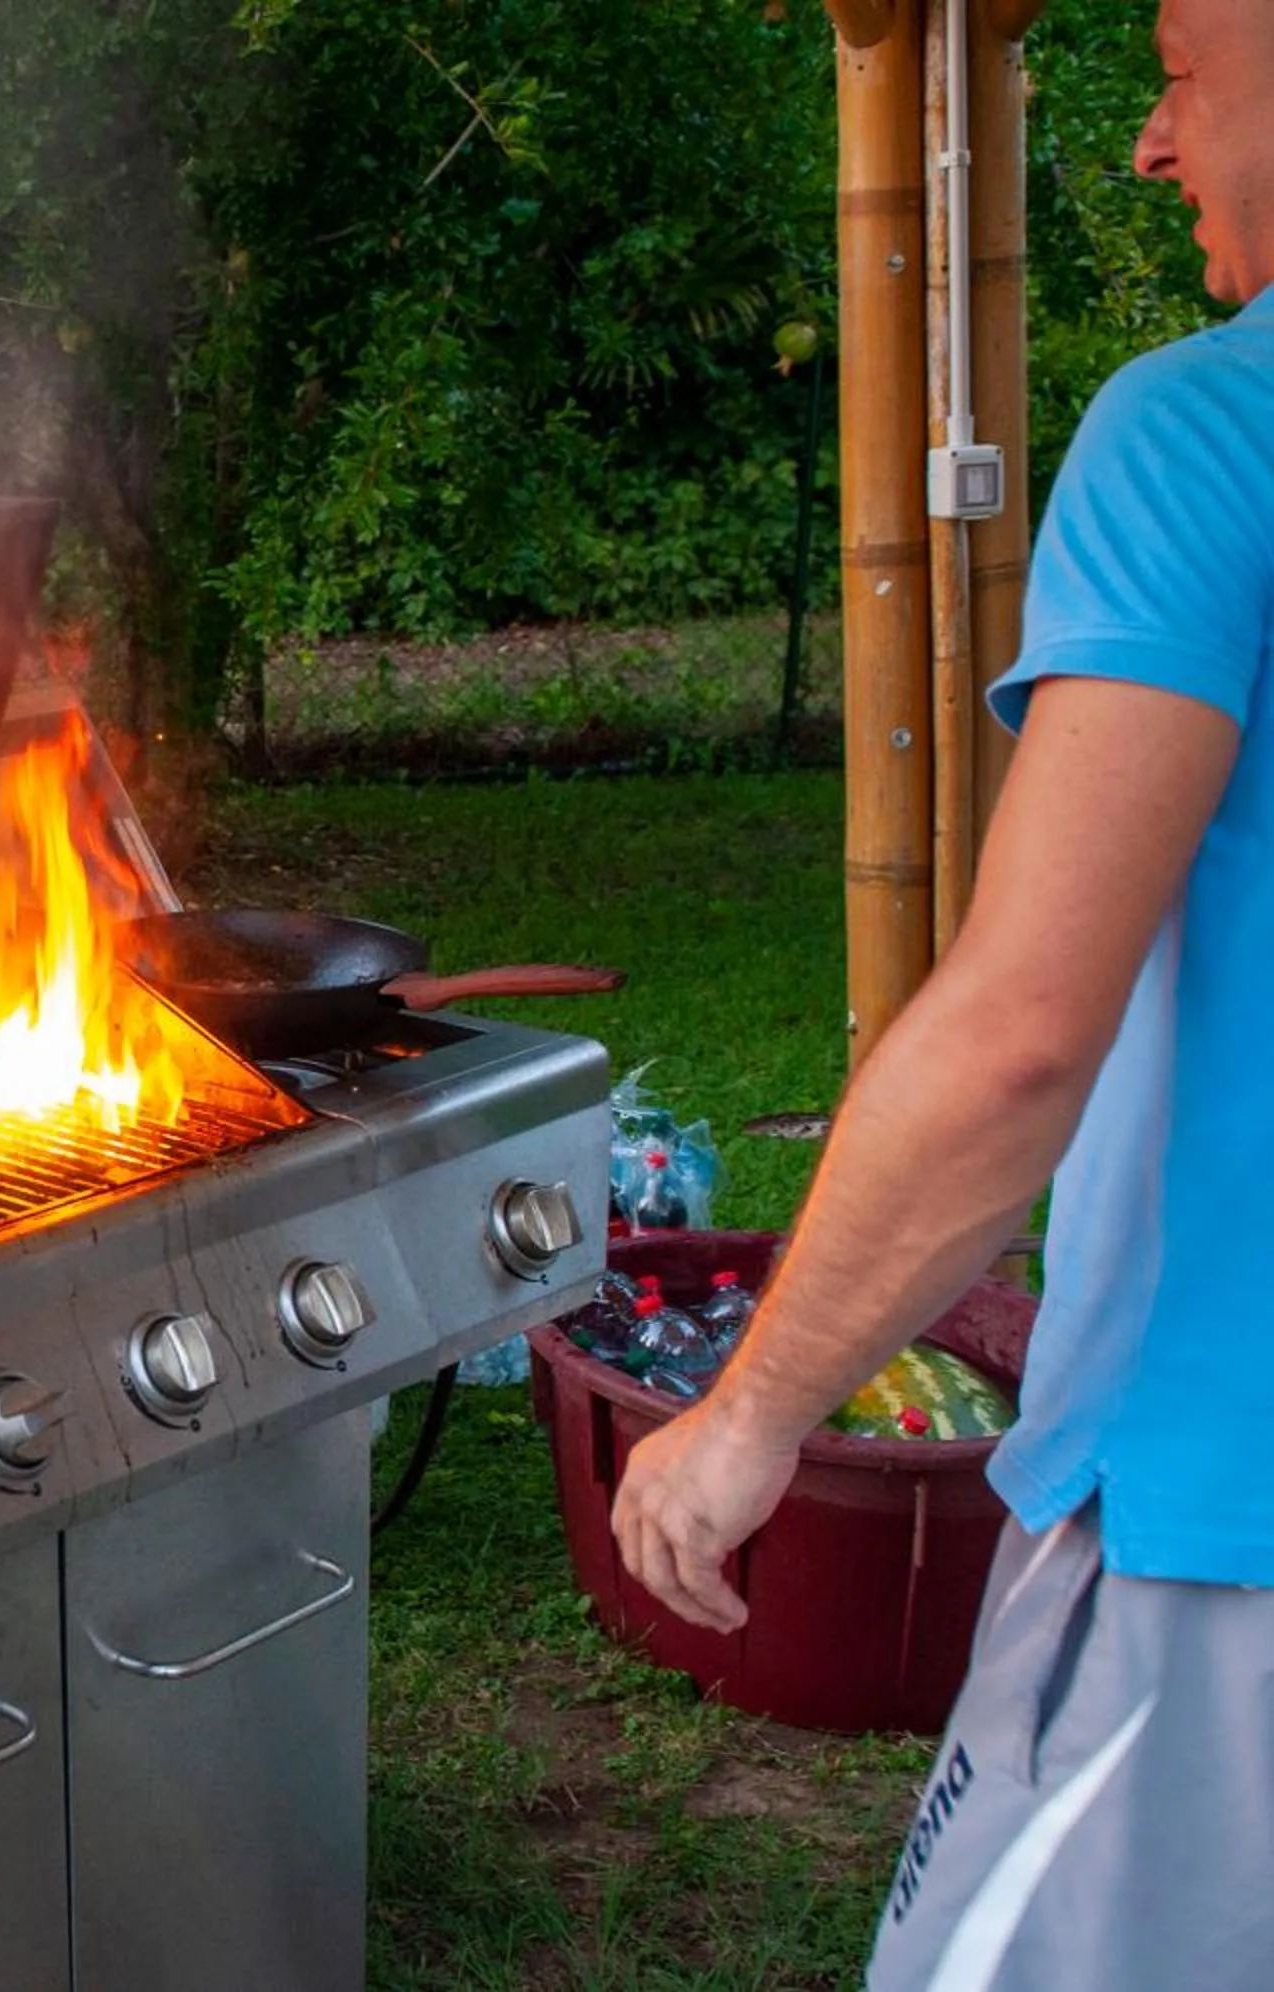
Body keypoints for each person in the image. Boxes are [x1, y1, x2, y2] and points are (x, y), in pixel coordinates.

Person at [613, 4, 1274, 1983]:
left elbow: (1015, 1039)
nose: (1152, 145)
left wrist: (744, 1424)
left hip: (1217, 1538)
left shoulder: (1209, 434)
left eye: (1180, 66)